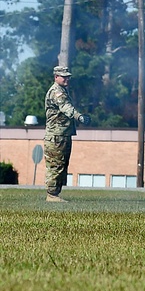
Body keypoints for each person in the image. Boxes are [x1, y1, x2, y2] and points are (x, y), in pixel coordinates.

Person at [43, 65, 90, 202]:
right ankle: (52, 195)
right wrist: (79, 117)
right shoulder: (57, 92)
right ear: (56, 77)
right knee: (56, 165)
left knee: (62, 164)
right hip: (56, 136)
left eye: (68, 77)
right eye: (64, 77)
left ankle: (55, 194)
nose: (67, 79)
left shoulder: (62, 90)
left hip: (62, 135)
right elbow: (66, 108)